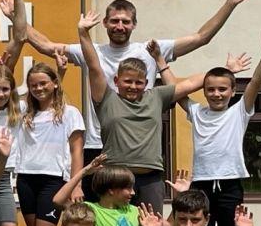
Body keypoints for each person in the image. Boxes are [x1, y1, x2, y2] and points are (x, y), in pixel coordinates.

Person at [26, 0, 255, 163]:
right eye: (114, 21)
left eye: (126, 21)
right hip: (97, 144)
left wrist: (230, 3)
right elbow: (45, 45)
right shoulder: (90, 51)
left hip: (140, 146)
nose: (120, 26)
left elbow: (201, 37)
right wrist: (16, 9)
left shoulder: (151, 50)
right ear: (104, 23)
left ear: (134, 24)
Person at [78, 11, 205, 212]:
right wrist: (83, 33)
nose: (133, 86)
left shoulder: (156, 96)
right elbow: (94, 67)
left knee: (151, 225)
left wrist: (225, 72)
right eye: (127, 81)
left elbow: (190, 83)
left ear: (146, 83)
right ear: (116, 81)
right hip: (114, 177)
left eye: (138, 82)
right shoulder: (106, 98)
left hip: (149, 178)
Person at [176, 32, 261, 226]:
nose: (217, 94)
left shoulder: (239, 112)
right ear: (204, 92)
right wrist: (160, 62)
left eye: (222, 89)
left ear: (233, 92)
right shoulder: (197, 112)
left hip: (230, 183)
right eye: (211, 89)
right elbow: (176, 91)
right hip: (201, 183)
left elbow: (256, 81)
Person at [14, 59, 84, 226]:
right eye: (33, 85)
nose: (39, 88)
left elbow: (77, 151)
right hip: (26, 179)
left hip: (53, 181)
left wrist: (76, 184)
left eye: (43, 83)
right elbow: (3, 96)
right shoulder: (24, 111)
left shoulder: (69, 113)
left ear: (55, 83)